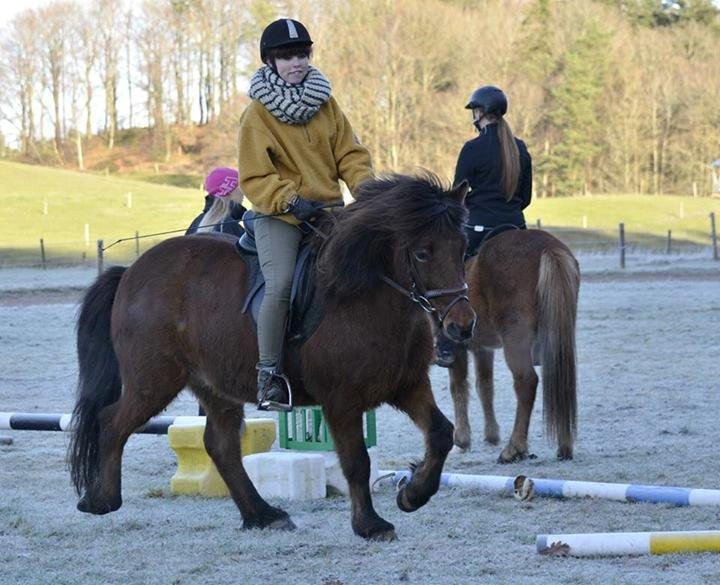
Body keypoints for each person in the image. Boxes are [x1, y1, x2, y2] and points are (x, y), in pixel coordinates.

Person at [237, 18, 373, 410]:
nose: (296, 62)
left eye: (301, 54)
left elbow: (351, 155)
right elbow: (255, 176)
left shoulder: (327, 105)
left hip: (329, 211)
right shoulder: (256, 116)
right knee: (279, 286)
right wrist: (291, 201)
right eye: (286, 56)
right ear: (270, 61)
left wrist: (365, 192)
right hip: (279, 216)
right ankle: (268, 376)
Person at [435, 85, 533, 368]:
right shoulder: (520, 148)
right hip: (515, 225)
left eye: (474, 111)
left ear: (479, 113)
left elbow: (458, 195)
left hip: (478, 226)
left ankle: (444, 345)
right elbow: (525, 197)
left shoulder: (472, 149)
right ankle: (539, 340)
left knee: (447, 276)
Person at [186, 167, 246, 237]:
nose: (243, 193)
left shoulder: (198, 221)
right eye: (240, 188)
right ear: (229, 192)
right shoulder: (226, 225)